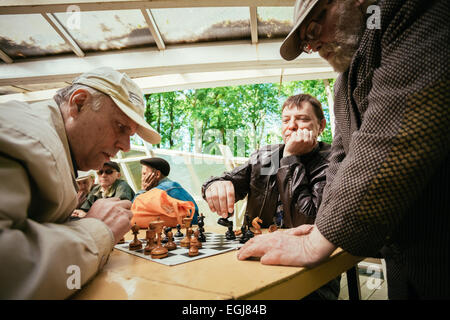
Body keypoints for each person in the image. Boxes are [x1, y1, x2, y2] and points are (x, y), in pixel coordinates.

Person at [237, 0, 450, 299]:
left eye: (314, 26)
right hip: (402, 257)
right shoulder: (339, 87)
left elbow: (389, 133)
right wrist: (220, 184)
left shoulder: (405, 11)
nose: (313, 43)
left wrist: (292, 160)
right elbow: (342, 156)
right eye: (286, 120)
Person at [0, 66, 161, 299]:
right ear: (79, 103)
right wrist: (96, 231)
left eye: (131, 134)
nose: (125, 146)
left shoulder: (48, 142)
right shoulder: (26, 140)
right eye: (120, 127)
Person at [203, 93, 341, 299]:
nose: (291, 126)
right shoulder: (267, 157)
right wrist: (214, 186)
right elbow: (230, 180)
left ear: (320, 126)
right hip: (256, 255)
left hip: (310, 270)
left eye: (302, 119)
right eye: (286, 120)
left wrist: (289, 159)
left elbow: (308, 220)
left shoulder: (332, 161)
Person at [132, 157, 199, 226]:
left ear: (157, 174)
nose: (142, 178)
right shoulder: (172, 185)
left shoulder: (161, 189)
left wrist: (143, 190)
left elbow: (134, 209)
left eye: (144, 174)